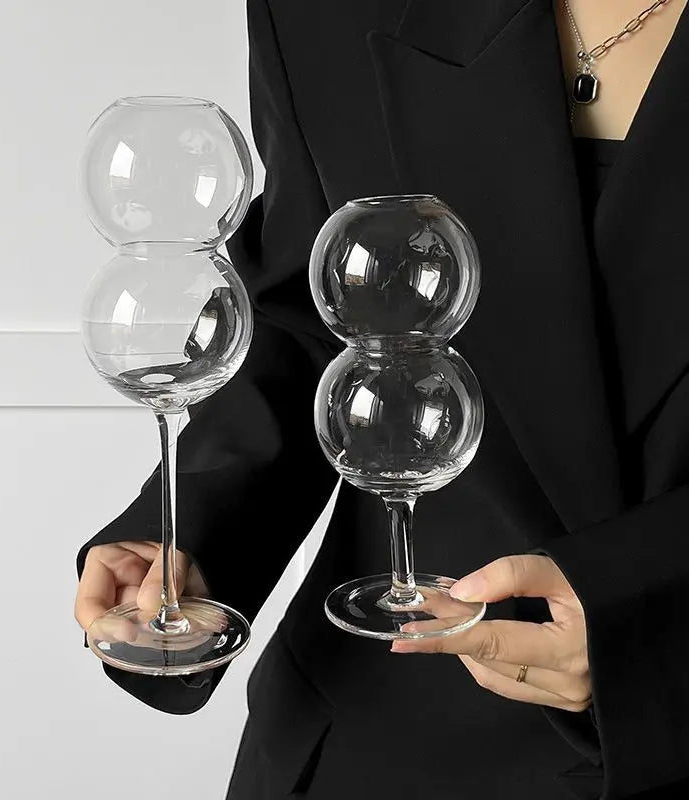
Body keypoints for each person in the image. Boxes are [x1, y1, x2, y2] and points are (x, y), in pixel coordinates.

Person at [73, 0, 689, 797]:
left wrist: (648, 613)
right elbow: (312, 315)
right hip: (381, 723)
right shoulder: (324, 13)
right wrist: (192, 533)